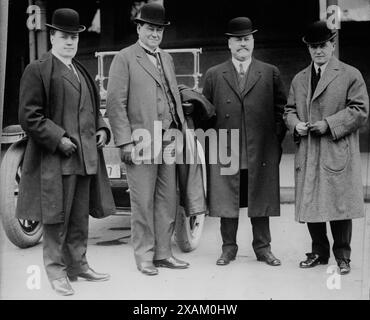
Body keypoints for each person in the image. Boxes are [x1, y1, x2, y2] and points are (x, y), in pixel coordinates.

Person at [17, 8, 115, 296]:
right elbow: (29, 116)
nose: (70, 42)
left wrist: (102, 128)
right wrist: (58, 138)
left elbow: (92, 109)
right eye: (64, 36)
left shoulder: (79, 69)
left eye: (74, 37)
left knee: (78, 217)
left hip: (84, 158)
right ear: (52, 36)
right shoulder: (39, 69)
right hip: (55, 159)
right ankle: (56, 272)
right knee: (55, 217)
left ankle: (78, 265)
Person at [106, 2, 189, 276]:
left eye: (159, 29)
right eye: (150, 28)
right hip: (140, 141)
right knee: (142, 202)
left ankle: (164, 253)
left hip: (169, 137)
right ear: (139, 28)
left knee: (167, 199)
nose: (155, 34)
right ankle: (144, 256)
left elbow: (170, 93)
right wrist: (125, 141)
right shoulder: (125, 57)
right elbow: (116, 104)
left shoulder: (166, 57)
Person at [284, 21, 369, 275]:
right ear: (308, 49)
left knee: (339, 204)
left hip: (336, 149)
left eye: (322, 45)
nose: (318, 51)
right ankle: (319, 253)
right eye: (313, 47)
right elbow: (288, 110)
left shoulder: (350, 74)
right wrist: (296, 124)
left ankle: (343, 256)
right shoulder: (299, 79)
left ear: (332, 45)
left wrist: (329, 124)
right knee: (312, 203)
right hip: (309, 151)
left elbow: (360, 110)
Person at [202, 17, 287, 267]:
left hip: (260, 150)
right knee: (227, 201)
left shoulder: (269, 72)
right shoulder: (214, 74)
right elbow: (205, 114)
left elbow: (281, 110)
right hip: (227, 150)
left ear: (253, 42)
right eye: (238, 40)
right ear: (229, 44)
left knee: (260, 198)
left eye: (247, 39)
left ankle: (263, 248)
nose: (243, 44)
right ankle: (228, 249)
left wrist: (274, 141)